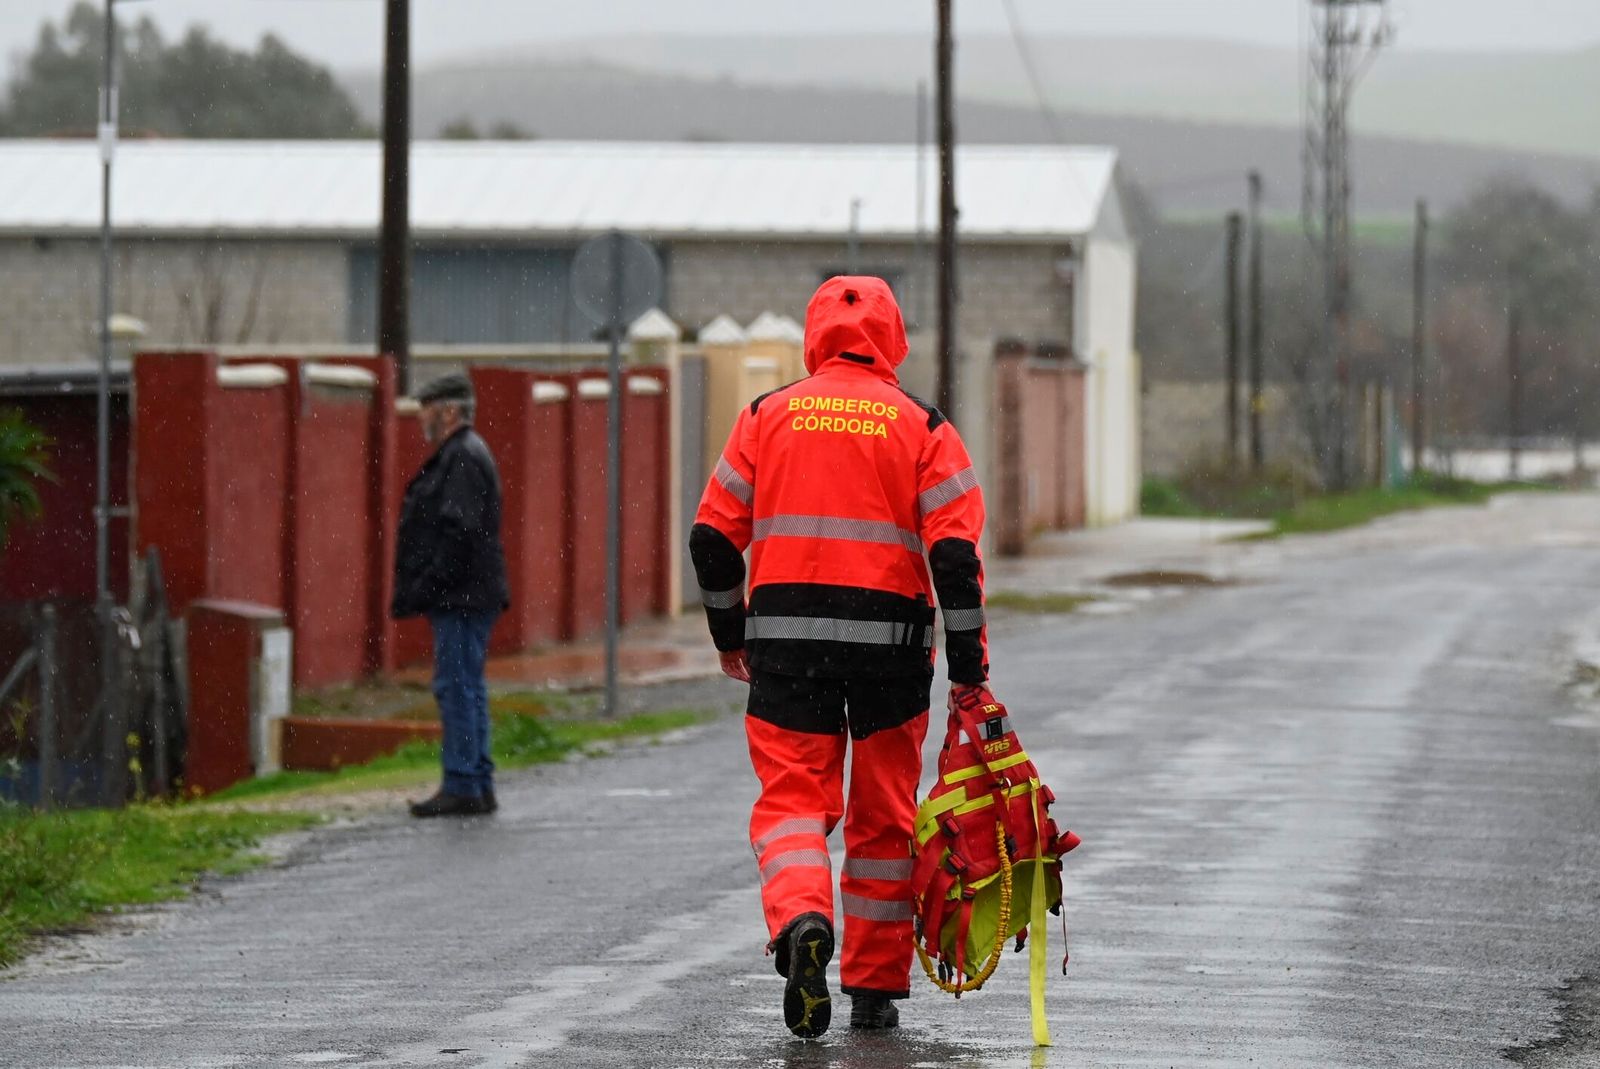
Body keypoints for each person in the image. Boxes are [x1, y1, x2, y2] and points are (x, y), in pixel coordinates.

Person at [689, 276, 990, 1039]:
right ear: (893, 340)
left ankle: (802, 919)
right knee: (882, 818)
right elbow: (954, 556)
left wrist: (732, 637)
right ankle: (873, 988)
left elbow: (711, 539)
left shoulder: (765, 415)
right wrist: (970, 674)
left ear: (813, 338)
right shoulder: (924, 427)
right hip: (892, 657)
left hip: (787, 649)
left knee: (793, 805)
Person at [392, 372, 510, 818]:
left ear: (450, 411)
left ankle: (463, 781)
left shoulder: (461, 456)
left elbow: (459, 532)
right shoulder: (462, 454)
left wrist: (429, 583)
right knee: (466, 686)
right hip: (467, 593)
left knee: (456, 686)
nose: (422, 416)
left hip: (461, 596)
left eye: (428, 406)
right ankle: (475, 781)